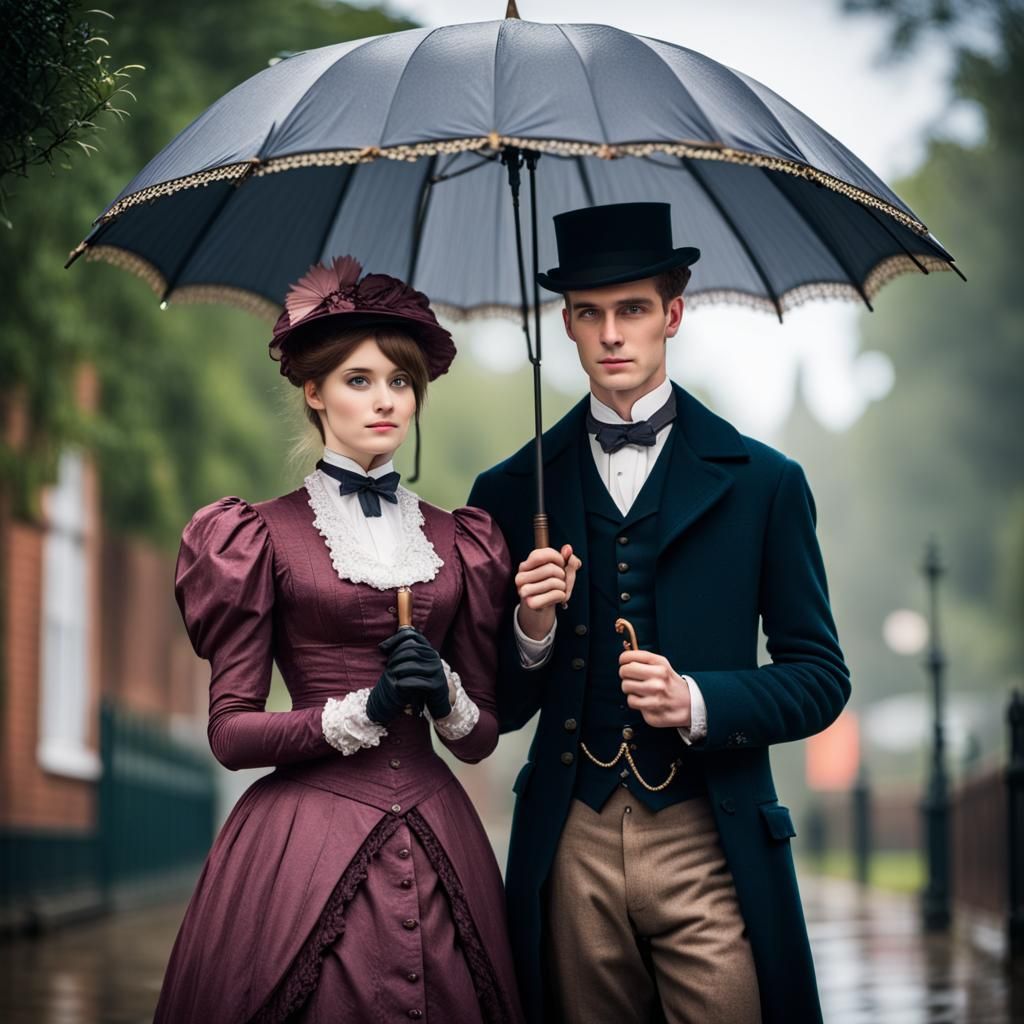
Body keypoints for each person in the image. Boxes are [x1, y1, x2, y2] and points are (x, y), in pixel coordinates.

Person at [468, 203, 851, 1024]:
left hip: (709, 835)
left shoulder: (763, 483)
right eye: (589, 313)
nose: (612, 334)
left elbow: (820, 677)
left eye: (633, 309)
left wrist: (701, 701)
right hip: (569, 838)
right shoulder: (508, 494)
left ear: (672, 313)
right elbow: (491, 710)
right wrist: (531, 631)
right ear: (566, 323)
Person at [155, 256, 525, 1024]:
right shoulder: (256, 535)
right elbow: (230, 732)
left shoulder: (462, 540)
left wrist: (443, 691)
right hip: (301, 847)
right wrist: (364, 707)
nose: (385, 400)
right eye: (359, 380)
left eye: (400, 381)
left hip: (440, 833)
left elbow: (482, 736)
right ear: (314, 392)